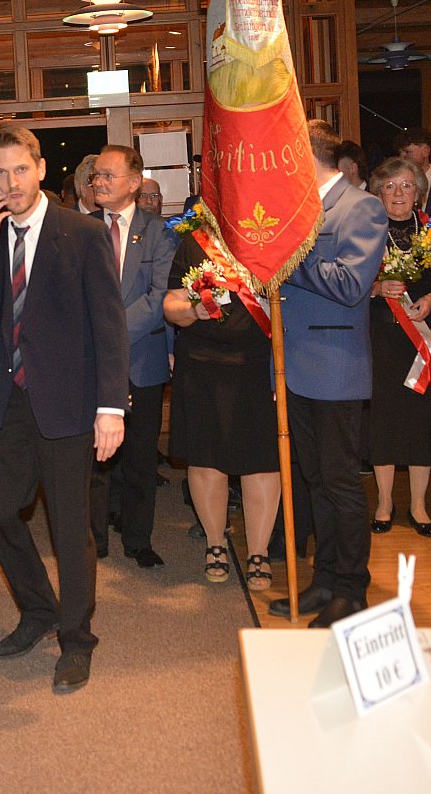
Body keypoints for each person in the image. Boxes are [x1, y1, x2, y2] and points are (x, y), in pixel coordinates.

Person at [0, 126, 127, 694]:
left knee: (70, 530)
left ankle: (77, 639)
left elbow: (109, 327)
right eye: (0, 172)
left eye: (20, 169)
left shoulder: (83, 233)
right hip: (10, 402)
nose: (11, 182)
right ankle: (39, 609)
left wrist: (110, 408)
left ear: (41, 169)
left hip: (70, 404)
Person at [269, 121, 388, 629]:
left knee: (340, 482)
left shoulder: (361, 207)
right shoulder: (300, 209)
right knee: (315, 479)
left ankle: (352, 589)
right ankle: (327, 577)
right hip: (294, 363)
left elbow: (350, 284)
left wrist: (288, 256)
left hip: (335, 365)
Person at [163, 226, 281, 589]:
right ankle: (215, 544)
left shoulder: (271, 238)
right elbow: (171, 303)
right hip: (202, 364)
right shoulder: (194, 243)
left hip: (259, 364)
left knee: (261, 460)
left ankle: (258, 552)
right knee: (206, 458)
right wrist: (193, 310)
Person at [86, 145, 175, 567]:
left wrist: (112, 333)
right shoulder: (81, 228)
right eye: (96, 175)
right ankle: (94, 538)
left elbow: (160, 295)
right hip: (91, 362)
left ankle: (138, 540)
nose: (99, 182)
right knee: (94, 458)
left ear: (134, 183)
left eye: (108, 175)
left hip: (143, 359)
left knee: (140, 458)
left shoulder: (159, 232)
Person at [364, 158, 431, 539]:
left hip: (422, 339)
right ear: (378, 192)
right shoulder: (365, 231)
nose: (398, 193)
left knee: (420, 421)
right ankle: (384, 503)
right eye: (390, 186)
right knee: (383, 420)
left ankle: (418, 505)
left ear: (418, 193)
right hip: (380, 337)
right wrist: (377, 288)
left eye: (407, 185)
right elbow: (349, 285)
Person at [395, 126, 431, 214]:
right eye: (400, 153)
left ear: (426, 151)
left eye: (408, 152)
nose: (402, 158)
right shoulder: (396, 186)